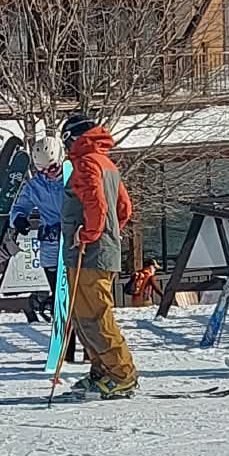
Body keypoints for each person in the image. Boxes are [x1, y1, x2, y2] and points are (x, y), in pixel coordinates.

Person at [59, 114, 139, 397]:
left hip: (89, 250)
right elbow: (124, 208)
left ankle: (120, 373)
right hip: (98, 248)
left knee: (94, 314)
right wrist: (109, 233)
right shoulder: (105, 162)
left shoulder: (87, 161)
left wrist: (90, 234)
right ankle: (102, 368)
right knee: (82, 314)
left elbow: (96, 201)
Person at [10, 136, 66, 312]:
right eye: (43, 170)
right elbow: (21, 205)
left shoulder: (75, 180)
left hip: (75, 240)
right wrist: (19, 218)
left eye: (53, 168)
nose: (49, 173)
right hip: (50, 243)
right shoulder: (36, 186)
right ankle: (59, 304)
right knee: (55, 280)